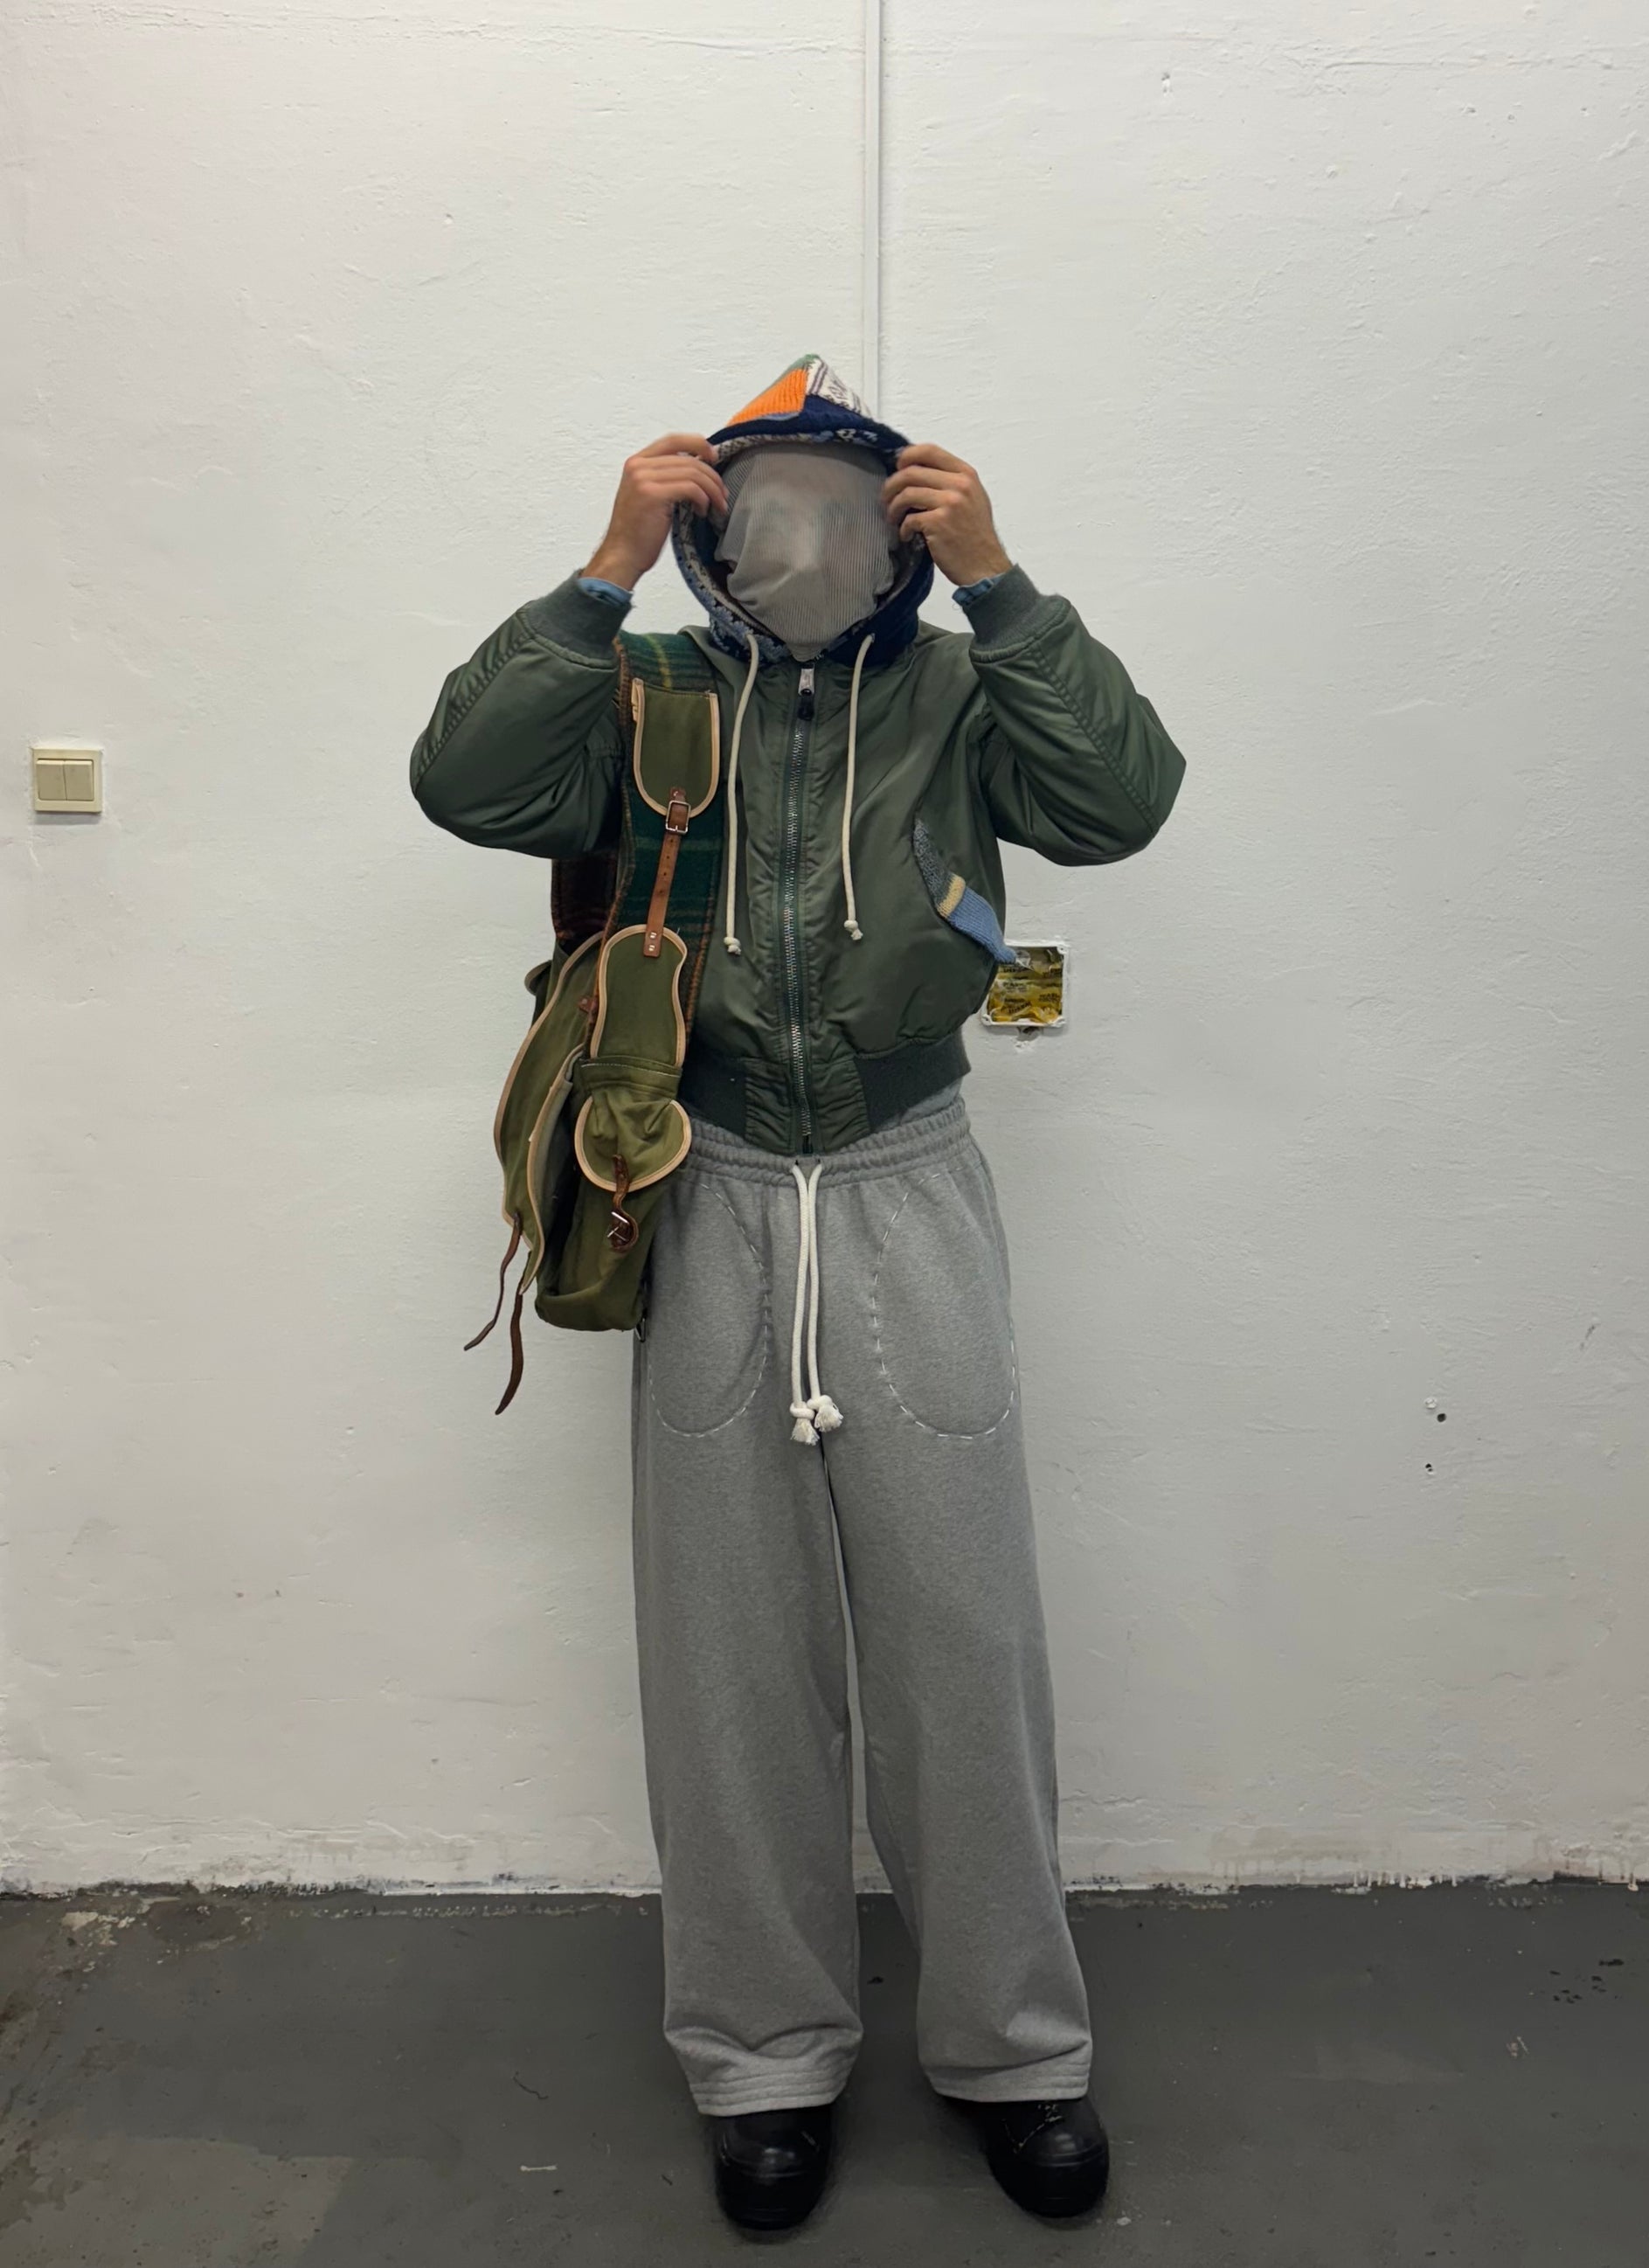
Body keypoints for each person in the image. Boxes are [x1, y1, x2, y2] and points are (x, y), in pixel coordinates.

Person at [409, 355, 1185, 2232]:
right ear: (710, 523)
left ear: (900, 523)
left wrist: (1005, 585)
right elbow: (464, 782)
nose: (807, 539)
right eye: (764, 506)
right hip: (704, 1182)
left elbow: (1119, 805)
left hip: (911, 1177)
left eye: (848, 505)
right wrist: (598, 569)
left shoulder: (959, 686)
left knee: (963, 1638)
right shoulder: (645, 685)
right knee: (727, 1653)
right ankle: (761, 2056)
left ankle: (1016, 2047)